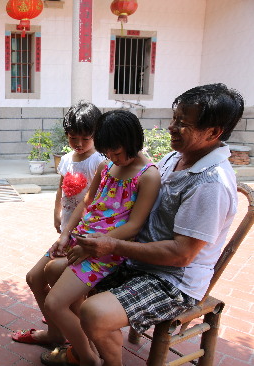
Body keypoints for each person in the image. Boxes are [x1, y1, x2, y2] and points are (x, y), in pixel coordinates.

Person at [50, 83, 243, 366]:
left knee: (94, 312)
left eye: (183, 124)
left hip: (172, 280)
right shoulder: (175, 158)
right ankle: (95, 346)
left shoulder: (211, 184)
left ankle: (104, 353)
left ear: (213, 132)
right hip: (137, 261)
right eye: (174, 119)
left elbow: (181, 255)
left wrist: (113, 244)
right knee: (56, 270)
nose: (172, 128)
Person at [13, 110, 160, 360]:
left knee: (54, 303)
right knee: (34, 277)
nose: (112, 158)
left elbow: (134, 226)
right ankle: (57, 335)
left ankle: (87, 357)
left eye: (117, 152)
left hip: (105, 250)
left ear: (133, 142)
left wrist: (92, 245)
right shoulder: (107, 164)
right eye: (108, 153)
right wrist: (65, 234)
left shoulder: (148, 175)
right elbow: (87, 203)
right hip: (79, 236)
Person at [54, 101, 105, 233]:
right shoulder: (66, 160)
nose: (79, 144)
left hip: (89, 223)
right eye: (73, 138)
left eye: (85, 139)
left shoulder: (99, 161)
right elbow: (61, 188)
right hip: (67, 217)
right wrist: (56, 212)